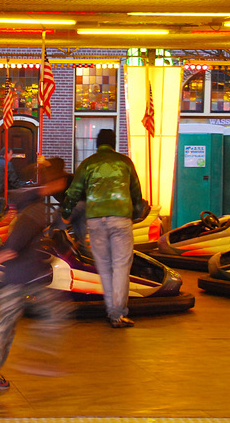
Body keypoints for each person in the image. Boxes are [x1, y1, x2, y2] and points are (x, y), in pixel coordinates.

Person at [0, 158, 70, 392]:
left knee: (13, 325)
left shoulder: (34, 200)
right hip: (18, 278)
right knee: (15, 325)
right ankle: (30, 361)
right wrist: (7, 252)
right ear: (55, 183)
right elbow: (19, 237)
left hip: (26, 276)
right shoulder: (37, 209)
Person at [60, 129, 143, 328]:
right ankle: (118, 313)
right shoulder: (125, 162)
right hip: (121, 218)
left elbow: (73, 191)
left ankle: (111, 312)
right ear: (114, 143)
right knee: (121, 266)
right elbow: (136, 191)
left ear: (97, 144)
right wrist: (137, 212)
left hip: (96, 219)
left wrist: (65, 212)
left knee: (105, 267)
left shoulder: (88, 164)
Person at [0, 148, 24, 219]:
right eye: (10, 155)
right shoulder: (7, 164)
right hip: (5, 196)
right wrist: (22, 187)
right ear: (6, 154)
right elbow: (13, 181)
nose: (11, 157)